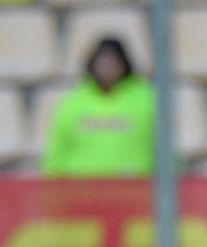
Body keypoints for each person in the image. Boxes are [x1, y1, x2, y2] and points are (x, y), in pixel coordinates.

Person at [44, 37, 156, 178]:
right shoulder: (75, 101)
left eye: (112, 62)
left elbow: (163, 146)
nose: (106, 68)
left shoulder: (145, 100)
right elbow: (60, 147)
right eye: (102, 63)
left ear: (123, 65)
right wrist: (53, 182)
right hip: (83, 190)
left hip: (134, 188)